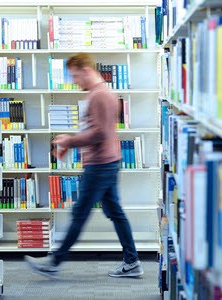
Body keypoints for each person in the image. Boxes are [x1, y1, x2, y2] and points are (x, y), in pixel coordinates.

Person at [25, 53, 143, 278]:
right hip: (107, 161)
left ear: (86, 70)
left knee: (80, 212)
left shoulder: (100, 96)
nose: (74, 81)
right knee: (115, 212)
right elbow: (97, 130)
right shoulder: (102, 93)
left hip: (100, 165)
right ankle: (132, 261)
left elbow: (99, 133)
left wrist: (70, 140)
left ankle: (54, 262)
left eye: (75, 76)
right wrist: (71, 144)